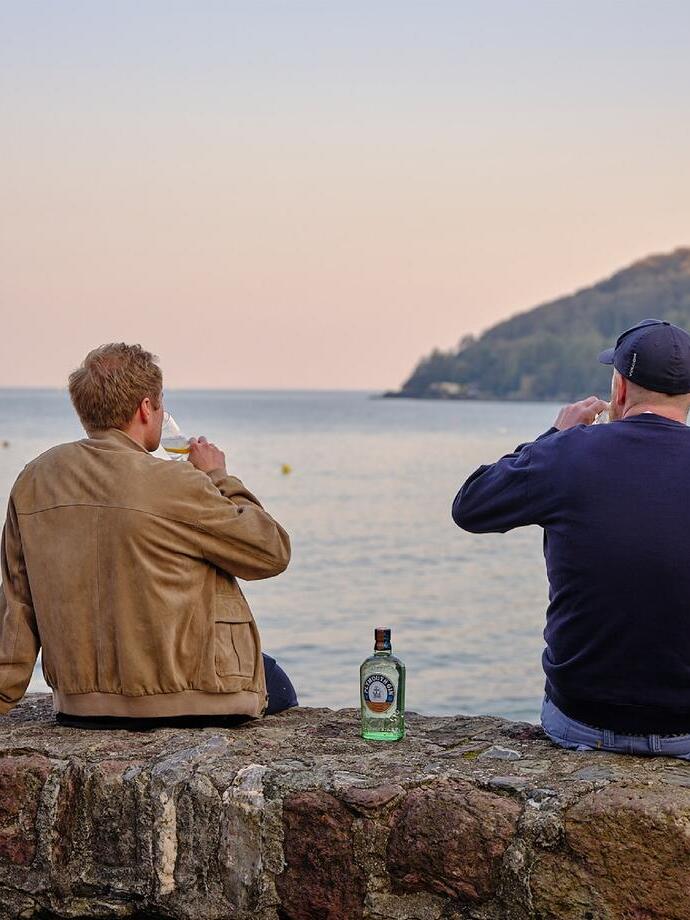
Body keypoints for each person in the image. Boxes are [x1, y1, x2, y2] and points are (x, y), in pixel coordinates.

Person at [0, 343, 297, 729]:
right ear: (145, 408)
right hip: (193, 700)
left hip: (81, 708)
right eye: (160, 406)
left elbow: (16, 607)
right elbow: (271, 552)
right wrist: (217, 477)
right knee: (279, 685)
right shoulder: (175, 481)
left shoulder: (33, 479)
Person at [452, 319, 690, 758]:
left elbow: (470, 507)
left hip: (583, 720)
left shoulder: (569, 452)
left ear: (619, 388)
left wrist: (554, 437)